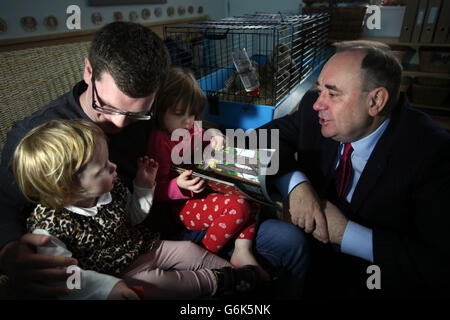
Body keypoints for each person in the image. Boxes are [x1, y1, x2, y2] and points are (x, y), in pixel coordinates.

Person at [0, 21, 308, 299]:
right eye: (105, 107)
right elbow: (5, 210)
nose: (120, 124)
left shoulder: (157, 107)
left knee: (290, 240)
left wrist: (285, 177)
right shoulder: (34, 138)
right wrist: (10, 250)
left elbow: (191, 126)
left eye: (137, 114)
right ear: (89, 72)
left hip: (166, 225)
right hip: (114, 253)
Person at [260, 40, 450, 298]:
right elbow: (256, 141)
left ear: (376, 101)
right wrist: (296, 185)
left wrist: (346, 233)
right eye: (319, 90)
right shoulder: (311, 109)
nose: (318, 104)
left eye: (333, 93)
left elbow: (437, 263)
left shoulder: (432, 153)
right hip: (309, 256)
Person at [13, 119, 262, 300]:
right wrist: (106, 288)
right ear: (67, 189)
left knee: (188, 249)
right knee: (162, 284)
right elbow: (67, 277)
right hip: (117, 273)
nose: (114, 167)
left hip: (147, 246)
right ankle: (219, 282)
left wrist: (143, 187)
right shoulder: (49, 227)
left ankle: (233, 270)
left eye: (108, 159)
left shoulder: (111, 187)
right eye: (102, 167)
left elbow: (132, 217)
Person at [147, 67, 269, 280]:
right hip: (181, 208)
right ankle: (205, 258)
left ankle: (242, 250)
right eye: (179, 114)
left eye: (193, 114)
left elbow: (207, 133)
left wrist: (217, 136)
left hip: (207, 192)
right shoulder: (160, 140)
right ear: (160, 110)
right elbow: (154, 190)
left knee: (253, 195)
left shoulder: (192, 129)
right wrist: (179, 186)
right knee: (238, 207)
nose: (188, 121)